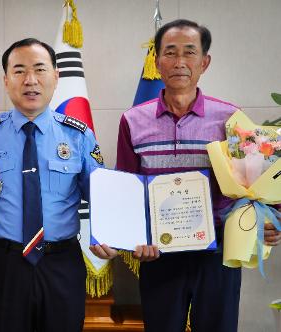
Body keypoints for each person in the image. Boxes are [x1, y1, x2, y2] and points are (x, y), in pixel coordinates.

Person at [91, 19, 281, 332]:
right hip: (159, 255)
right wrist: (134, 239)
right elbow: (127, 187)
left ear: (204, 62)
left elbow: (257, 183)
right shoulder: (133, 120)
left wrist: (270, 220)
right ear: (156, 61)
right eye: (170, 52)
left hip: (218, 252)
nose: (180, 62)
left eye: (189, 53)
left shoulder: (231, 116)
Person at [0, 38, 105, 332]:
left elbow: (102, 195)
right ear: (5, 80)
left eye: (40, 70)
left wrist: (111, 237)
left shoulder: (78, 135)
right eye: (19, 71)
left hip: (61, 261)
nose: (30, 81)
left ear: (56, 76)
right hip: (5, 264)